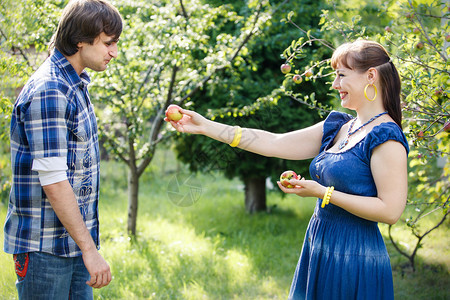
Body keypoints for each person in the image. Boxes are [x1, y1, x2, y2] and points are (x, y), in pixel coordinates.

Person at [166, 39, 409, 299]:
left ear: (370, 76)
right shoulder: (340, 126)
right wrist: (206, 126)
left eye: (341, 75)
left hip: (355, 258)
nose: (335, 84)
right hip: (319, 246)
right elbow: (273, 142)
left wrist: (323, 193)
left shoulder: (386, 136)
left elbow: (390, 211)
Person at [3, 0, 122, 299]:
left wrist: (87, 247)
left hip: (75, 244)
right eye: (109, 43)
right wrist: (90, 250)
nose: (114, 52)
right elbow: (54, 181)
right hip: (46, 250)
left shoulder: (75, 84)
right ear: (81, 40)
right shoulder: (50, 90)